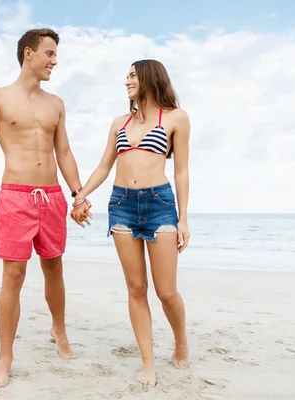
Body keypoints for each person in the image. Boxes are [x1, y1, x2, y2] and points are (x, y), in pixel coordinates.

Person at [0, 28, 91, 388]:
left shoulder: (55, 103)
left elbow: (64, 152)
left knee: (54, 266)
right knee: (13, 276)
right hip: (15, 196)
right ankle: (5, 356)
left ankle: (60, 331)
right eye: (50, 54)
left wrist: (78, 194)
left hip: (52, 195)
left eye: (56, 55)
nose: (55, 61)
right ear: (28, 53)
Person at [71, 59, 191, 386]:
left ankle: (180, 342)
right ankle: (148, 362)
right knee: (136, 288)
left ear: (150, 78)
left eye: (132, 76)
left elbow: (181, 170)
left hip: (160, 204)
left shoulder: (176, 118)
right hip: (122, 205)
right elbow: (104, 166)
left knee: (166, 291)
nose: (127, 81)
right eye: (126, 76)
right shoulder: (119, 123)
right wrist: (79, 195)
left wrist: (183, 218)